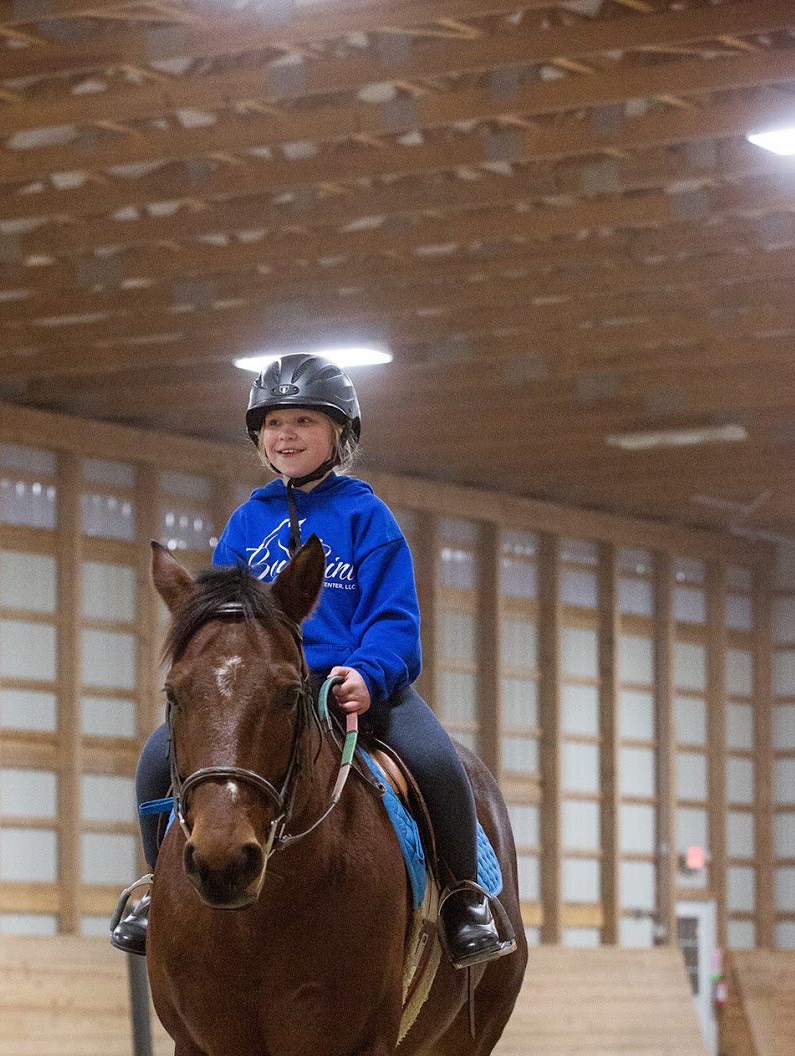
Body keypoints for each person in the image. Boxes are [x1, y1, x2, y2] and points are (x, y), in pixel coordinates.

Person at [111, 353, 513, 969]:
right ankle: (155, 891)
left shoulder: (368, 518)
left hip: (353, 684)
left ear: (340, 434)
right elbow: (220, 618)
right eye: (274, 423)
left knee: (436, 763)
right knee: (155, 759)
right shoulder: (247, 521)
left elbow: (395, 621)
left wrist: (368, 675)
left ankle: (463, 898)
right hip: (264, 688)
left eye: (303, 420)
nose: (287, 434)